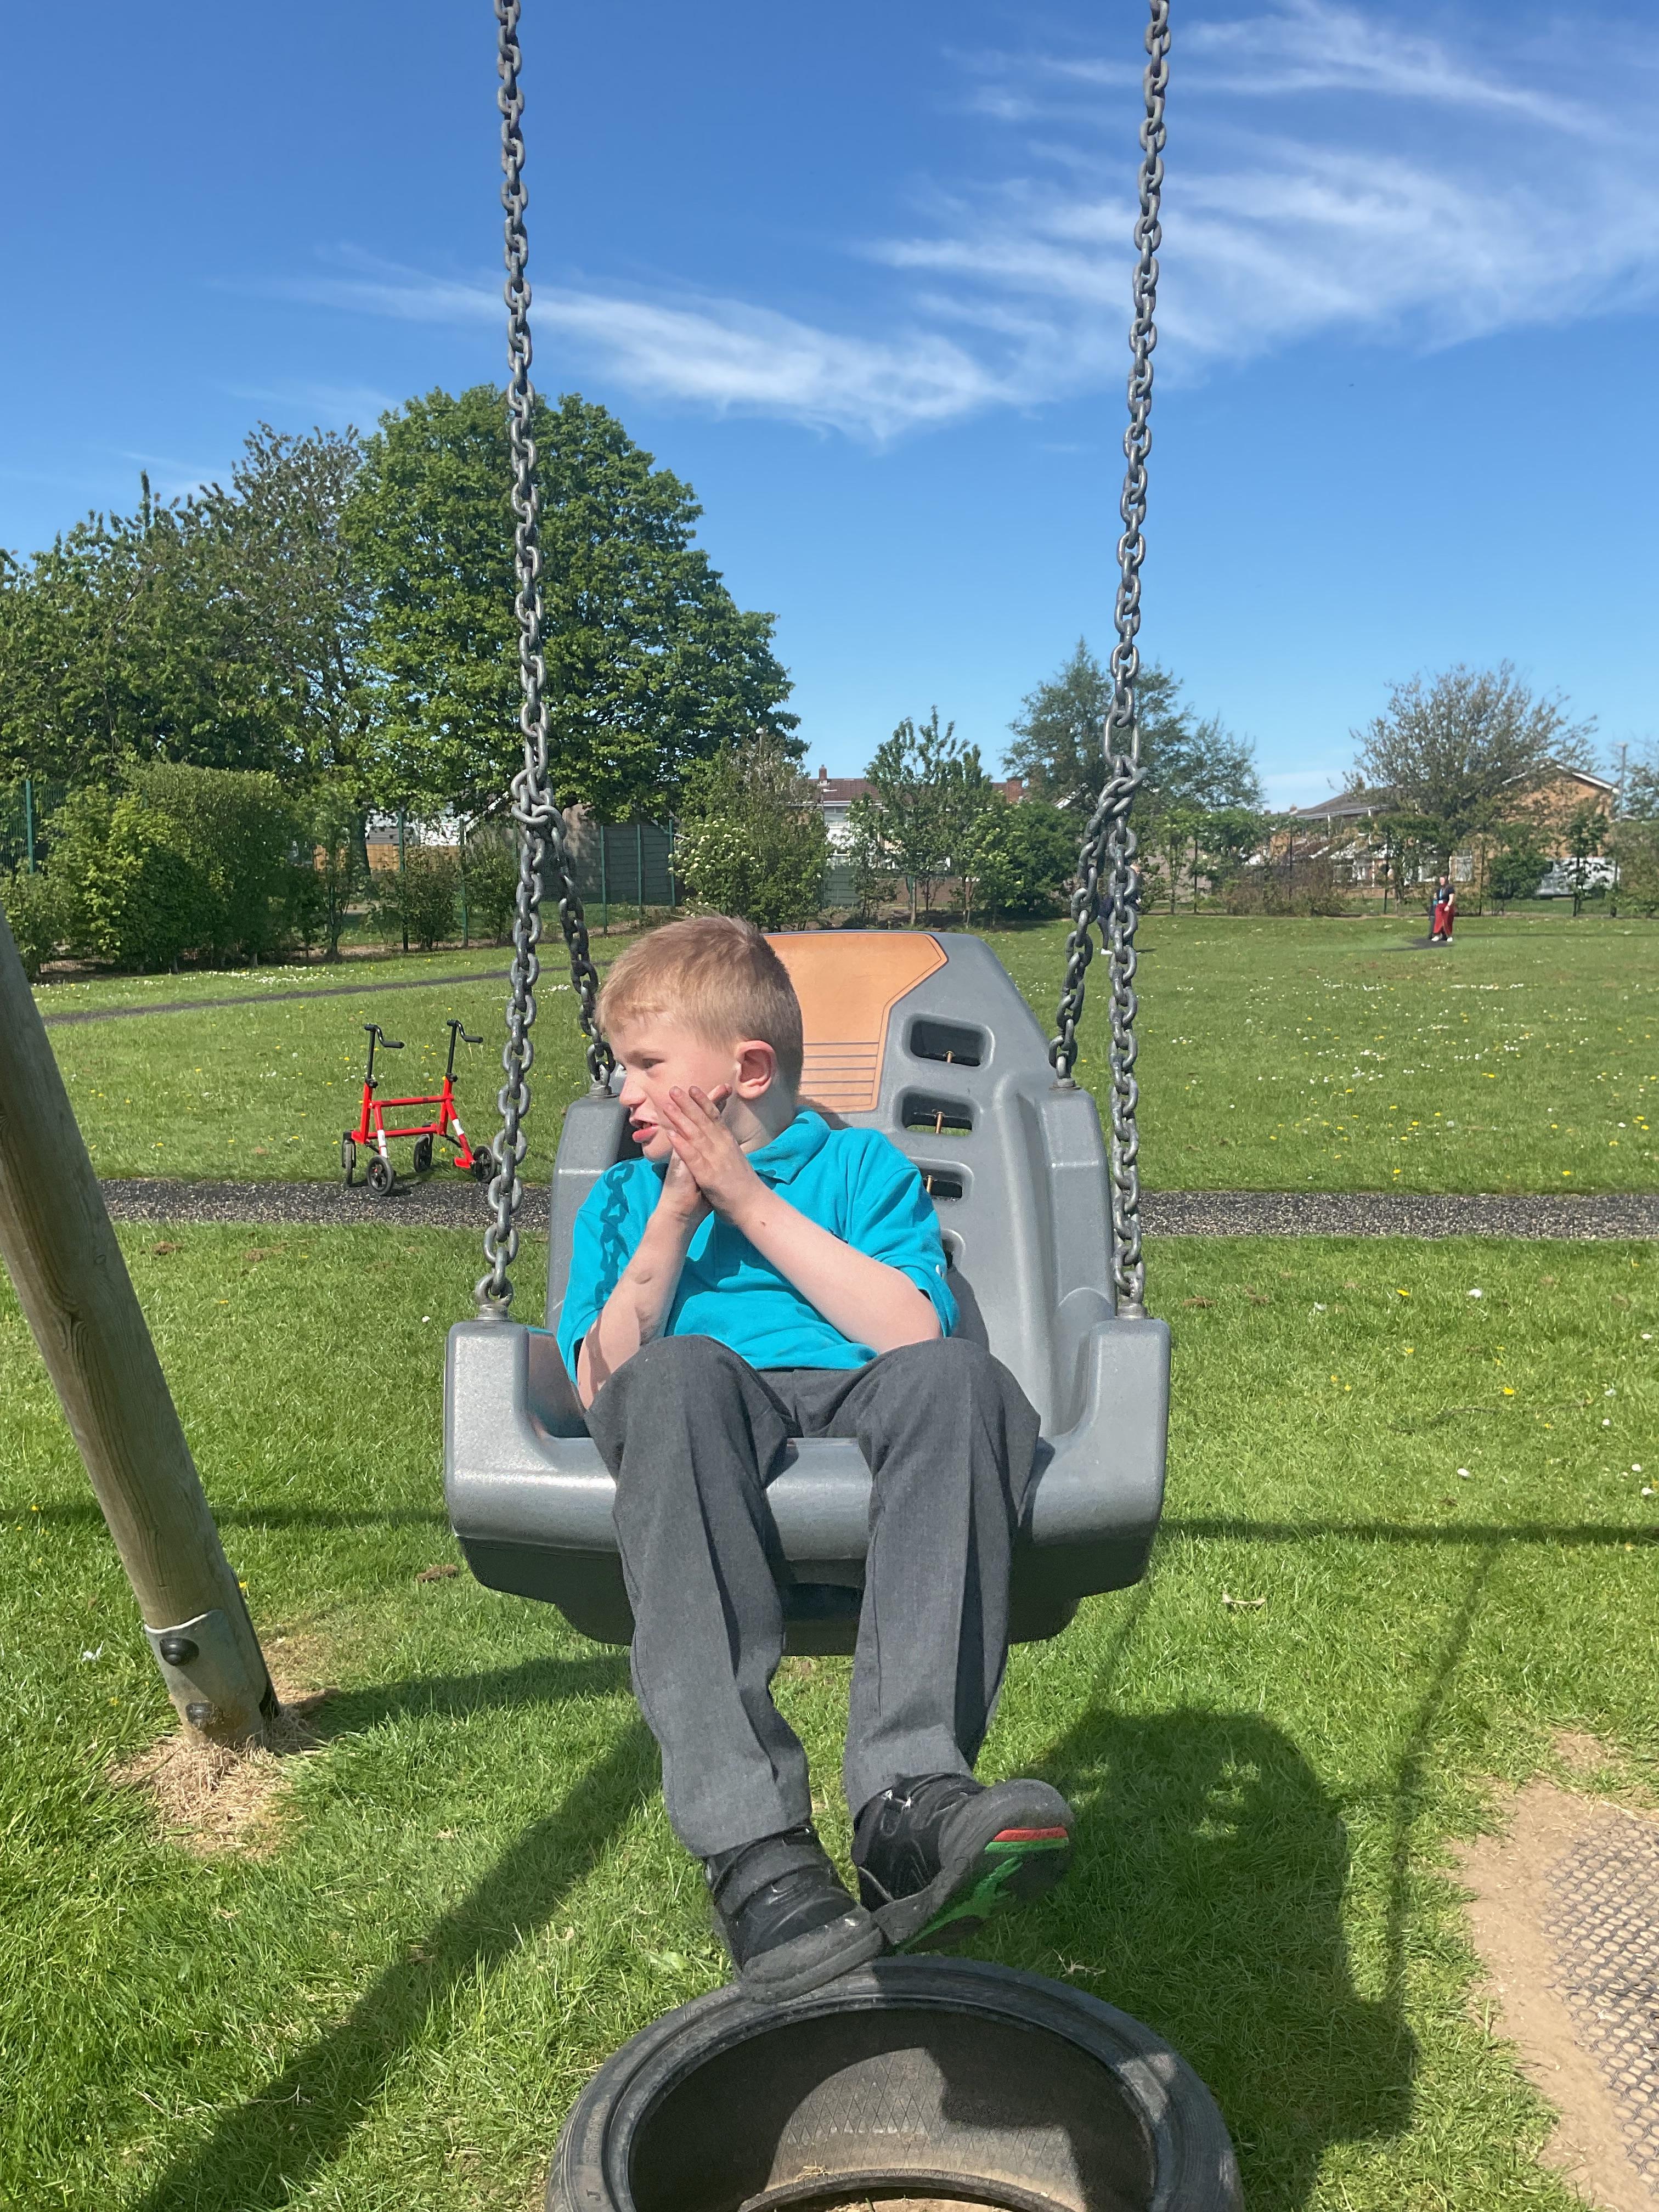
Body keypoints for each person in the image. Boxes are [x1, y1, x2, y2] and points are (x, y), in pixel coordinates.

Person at [555, 916, 1072, 2002]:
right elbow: (603, 1386)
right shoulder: (624, 1199)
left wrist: (746, 1199)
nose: (624, 1091)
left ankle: (909, 1801)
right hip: (701, 1414)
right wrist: (674, 1222)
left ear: (747, 1070)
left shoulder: (859, 1167)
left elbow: (911, 1331)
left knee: (964, 1381)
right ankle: (755, 1852)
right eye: (620, 1067)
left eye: (646, 1064)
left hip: (856, 1396)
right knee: (676, 1375)